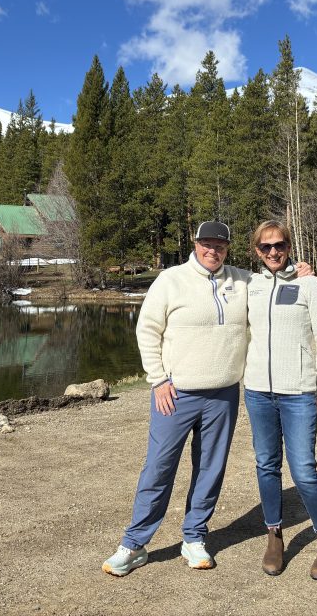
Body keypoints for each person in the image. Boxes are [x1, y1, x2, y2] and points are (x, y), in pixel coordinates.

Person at [102, 221, 249, 576]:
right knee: (158, 468)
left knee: (210, 469)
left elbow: (278, 279)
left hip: (224, 393)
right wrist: (158, 380)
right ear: (195, 244)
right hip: (176, 393)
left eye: (220, 244)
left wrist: (296, 269)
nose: (212, 250)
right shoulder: (170, 280)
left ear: (228, 247)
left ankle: (194, 537)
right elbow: (147, 330)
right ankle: (134, 544)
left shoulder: (244, 281)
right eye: (206, 244)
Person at [243, 220, 317, 580]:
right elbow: (212, 271)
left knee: (303, 471)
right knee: (266, 465)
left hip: (298, 393)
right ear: (256, 251)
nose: (272, 252)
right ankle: (274, 535)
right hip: (257, 392)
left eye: (279, 245)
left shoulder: (308, 283)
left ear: (288, 245)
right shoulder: (249, 285)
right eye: (265, 247)